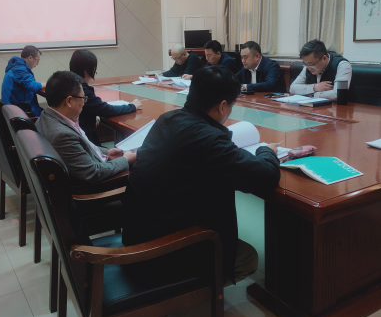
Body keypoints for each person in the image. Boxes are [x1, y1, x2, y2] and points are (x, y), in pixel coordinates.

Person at [122, 66, 280, 284]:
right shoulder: (208, 139)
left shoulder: (167, 119)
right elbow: (266, 177)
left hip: (137, 233)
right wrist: (266, 151)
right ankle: (187, 292)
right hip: (161, 253)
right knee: (248, 259)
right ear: (223, 106)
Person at [36, 71, 136, 186]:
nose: (84, 103)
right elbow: (94, 173)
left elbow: (80, 148)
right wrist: (125, 160)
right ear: (69, 101)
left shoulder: (46, 116)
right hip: (94, 187)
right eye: (83, 98)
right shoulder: (62, 135)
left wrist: (106, 152)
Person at [69, 50, 142, 146]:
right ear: (86, 71)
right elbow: (105, 109)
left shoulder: (70, 83)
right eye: (93, 70)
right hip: (85, 140)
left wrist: (94, 116)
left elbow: (93, 107)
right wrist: (132, 106)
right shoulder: (81, 89)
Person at [1, 45, 45, 116]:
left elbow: (31, 84)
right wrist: (50, 83)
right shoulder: (20, 69)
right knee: (51, 116)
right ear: (30, 58)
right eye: (37, 60)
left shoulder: (16, 66)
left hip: (12, 109)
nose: (37, 64)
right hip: (19, 112)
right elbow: (34, 86)